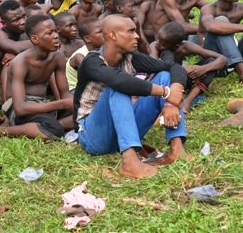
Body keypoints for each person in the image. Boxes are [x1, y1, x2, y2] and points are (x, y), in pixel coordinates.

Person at [74, 15, 187, 178]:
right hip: (93, 135)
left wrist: (172, 100)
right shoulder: (92, 62)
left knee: (164, 76)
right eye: (131, 31)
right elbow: (119, 81)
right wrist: (165, 92)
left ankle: (176, 148)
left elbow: (173, 67)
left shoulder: (131, 58)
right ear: (113, 35)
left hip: (122, 131)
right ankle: (129, 162)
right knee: (118, 87)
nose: (137, 36)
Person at [0, 15, 74, 140]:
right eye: (49, 33)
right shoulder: (20, 62)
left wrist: (74, 105)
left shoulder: (58, 57)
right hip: (19, 108)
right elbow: (20, 108)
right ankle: (3, 130)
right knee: (55, 130)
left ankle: (48, 125)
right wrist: (61, 104)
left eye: (55, 31)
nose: (56, 36)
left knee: (87, 112)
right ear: (35, 39)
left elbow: (65, 94)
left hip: (42, 105)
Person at [150, 22, 226, 115]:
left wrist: (203, 69)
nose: (158, 44)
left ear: (176, 46)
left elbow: (222, 59)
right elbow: (154, 66)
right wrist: (181, 70)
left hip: (182, 80)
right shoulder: (154, 46)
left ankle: (187, 101)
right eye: (159, 39)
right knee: (167, 54)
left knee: (211, 62)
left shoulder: (185, 47)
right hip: (165, 81)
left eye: (163, 43)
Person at [66, 18, 103, 94]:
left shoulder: (103, 50)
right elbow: (96, 76)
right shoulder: (79, 56)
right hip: (76, 90)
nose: (106, 34)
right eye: (100, 32)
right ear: (87, 39)